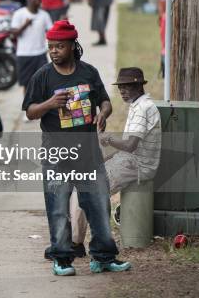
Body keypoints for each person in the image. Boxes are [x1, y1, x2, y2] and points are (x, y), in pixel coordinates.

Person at [22, 20, 131, 276]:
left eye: (59, 46)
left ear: (73, 45)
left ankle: (103, 257)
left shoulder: (89, 73)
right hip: (56, 153)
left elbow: (105, 101)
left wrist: (103, 114)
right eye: (51, 47)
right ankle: (61, 259)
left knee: (98, 204)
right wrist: (49, 103)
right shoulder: (42, 76)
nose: (54, 51)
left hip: (88, 153)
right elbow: (29, 112)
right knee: (58, 207)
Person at [68, 67, 162, 243]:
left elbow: (130, 145)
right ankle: (75, 237)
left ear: (140, 86)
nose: (122, 91)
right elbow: (128, 147)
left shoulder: (143, 108)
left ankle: (76, 242)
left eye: (126, 86)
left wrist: (108, 138)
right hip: (131, 160)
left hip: (137, 165)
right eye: (120, 87)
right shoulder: (138, 105)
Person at [10, 0, 53, 96]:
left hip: (40, 54)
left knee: (43, 83)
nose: (39, 0)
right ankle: (29, 108)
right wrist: (25, 25)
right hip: (24, 55)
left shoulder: (44, 15)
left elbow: (51, 32)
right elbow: (13, 33)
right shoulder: (19, 14)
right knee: (27, 85)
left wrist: (62, 22)